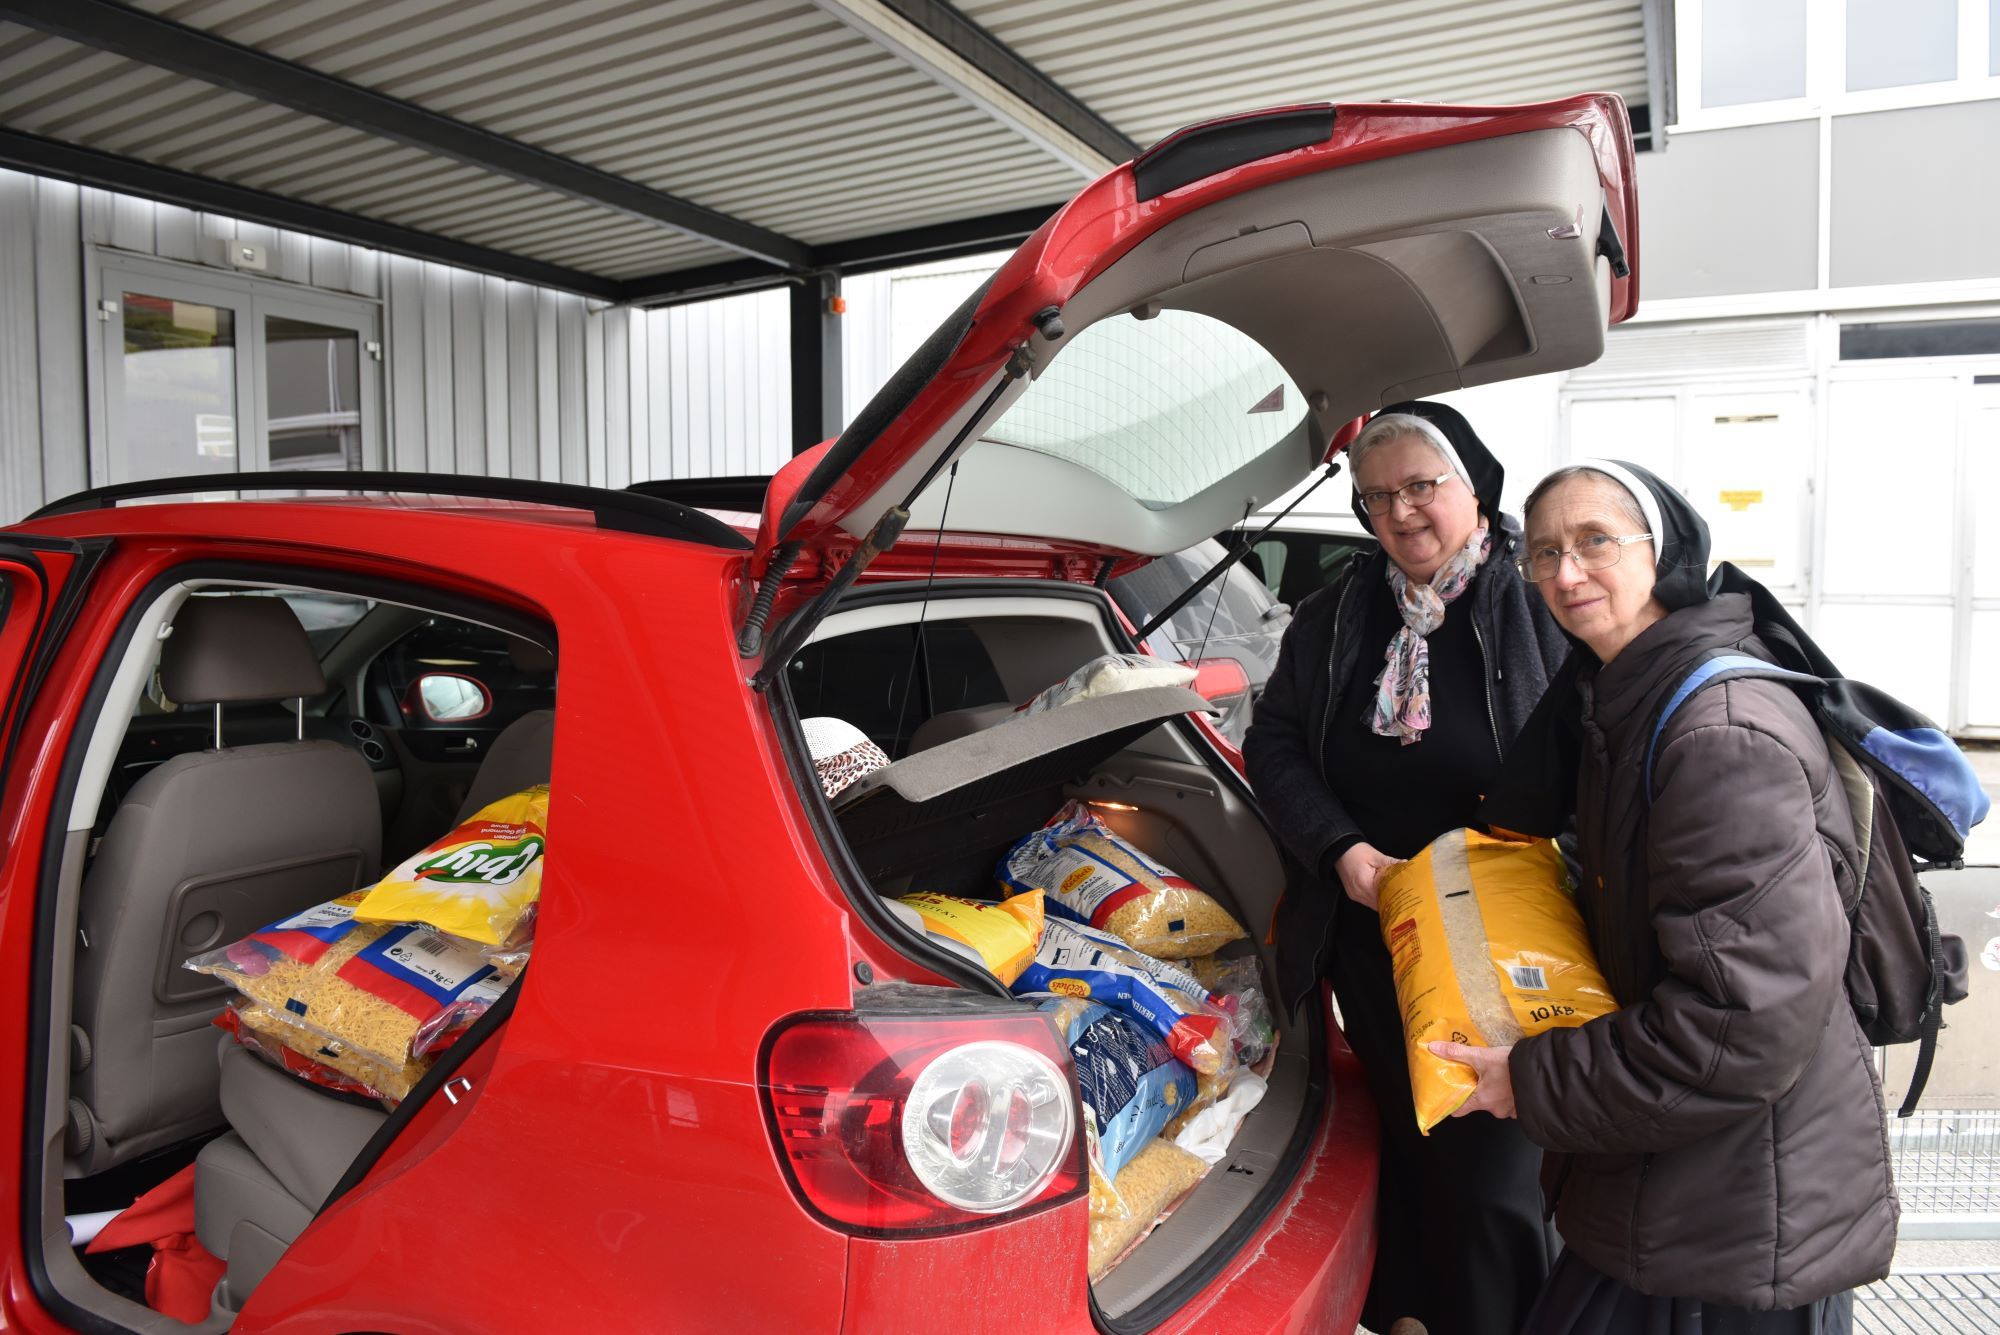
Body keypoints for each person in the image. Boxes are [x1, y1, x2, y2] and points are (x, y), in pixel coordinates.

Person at [1436, 459, 1894, 1332]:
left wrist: (1532, 1082)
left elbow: (1741, 1022)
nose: (1567, 574)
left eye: (1595, 542)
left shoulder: (1716, 735)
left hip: (1741, 1212)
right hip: (1692, 1181)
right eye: (1544, 554)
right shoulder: (1620, 698)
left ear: (1664, 552)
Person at [1243, 401, 1571, 1335]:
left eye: (1422, 487)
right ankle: (1413, 1317)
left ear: (1474, 486)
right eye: (1376, 495)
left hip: (1503, 939)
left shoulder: (1533, 599)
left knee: (1494, 1167)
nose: (1401, 513)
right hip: (1373, 928)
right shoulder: (1338, 610)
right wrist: (1343, 853)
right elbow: (1275, 744)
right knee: (1409, 1146)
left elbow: (1593, 755)